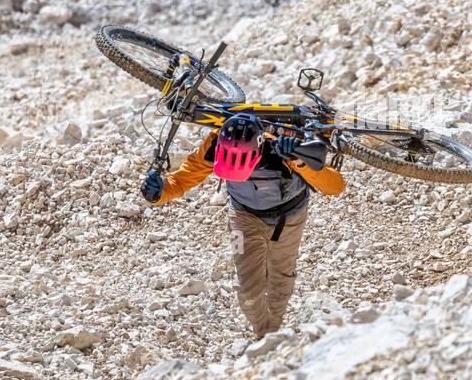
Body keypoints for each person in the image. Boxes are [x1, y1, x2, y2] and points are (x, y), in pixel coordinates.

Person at [141, 114, 345, 338]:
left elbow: (334, 186)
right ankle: (264, 333)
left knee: (281, 276)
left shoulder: (282, 147)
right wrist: (158, 193)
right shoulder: (216, 142)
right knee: (246, 287)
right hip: (243, 218)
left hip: (289, 218)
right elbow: (182, 179)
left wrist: (299, 159)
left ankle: (272, 333)